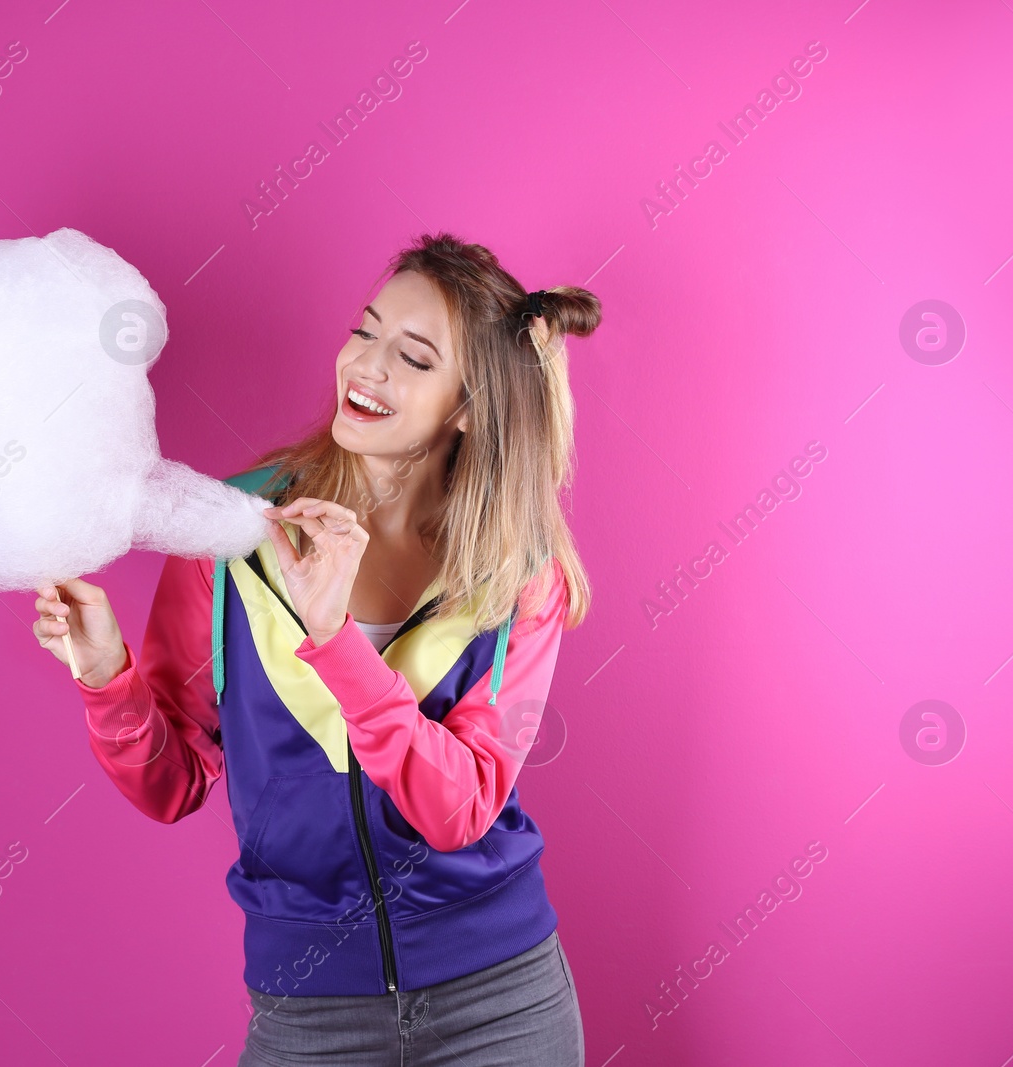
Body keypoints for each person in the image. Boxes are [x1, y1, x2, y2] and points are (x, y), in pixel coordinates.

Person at [34, 232, 598, 1065]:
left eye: (412, 357)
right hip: (310, 1015)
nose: (366, 367)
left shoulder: (517, 573)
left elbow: (458, 811)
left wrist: (335, 641)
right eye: (364, 331)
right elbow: (171, 784)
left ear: (468, 407)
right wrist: (106, 676)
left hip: (502, 1001)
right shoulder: (230, 534)